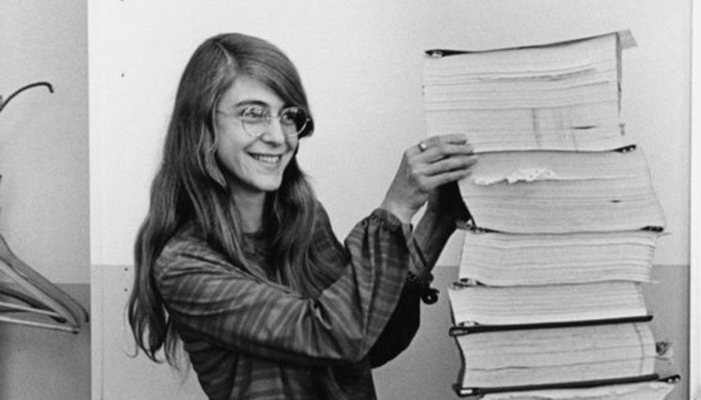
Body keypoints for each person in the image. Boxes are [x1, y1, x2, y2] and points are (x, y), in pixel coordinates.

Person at [127, 32, 477, 400]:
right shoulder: (184, 265)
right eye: (252, 114)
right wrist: (396, 209)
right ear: (202, 126)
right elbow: (333, 335)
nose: (279, 137)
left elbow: (370, 343)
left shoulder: (305, 220)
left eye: (288, 116)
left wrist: (437, 221)